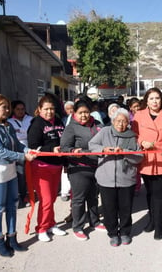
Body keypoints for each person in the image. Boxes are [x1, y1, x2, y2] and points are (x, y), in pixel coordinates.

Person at [0, 94, 37, 257]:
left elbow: (17, 144)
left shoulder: (8, 126)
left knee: (13, 205)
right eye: (3, 107)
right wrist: (23, 157)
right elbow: (0, 151)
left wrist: (27, 150)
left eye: (7, 106)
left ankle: (12, 239)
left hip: (10, 171)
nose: (7, 110)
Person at [89, 108, 143, 246]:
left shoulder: (132, 136)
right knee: (109, 208)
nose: (121, 124)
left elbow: (139, 157)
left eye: (124, 121)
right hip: (105, 178)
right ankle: (112, 233)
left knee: (125, 208)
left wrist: (124, 152)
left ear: (128, 123)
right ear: (113, 121)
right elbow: (92, 145)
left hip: (126, 178)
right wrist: (103, 150)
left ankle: (125, 232)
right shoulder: (105, 131)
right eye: (118, 121)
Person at [131, 87, 162, 240]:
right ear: (147, 100)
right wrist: (142, 142)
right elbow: (134, 134)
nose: (155, 101)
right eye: (151, 98)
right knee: (149, 193)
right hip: (146, 159)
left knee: (158, 195)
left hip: (161, 158)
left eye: (157, 98)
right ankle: (151, 220)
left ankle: (159, 225)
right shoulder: (139, 115)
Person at [60, 100, 106, 241]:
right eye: (80, 113)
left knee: (93, 197)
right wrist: (73, 151)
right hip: (78, 167)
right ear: (74, 113)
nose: (84, 115)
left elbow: (105, 139)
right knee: (79, 199)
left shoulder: (98, 125)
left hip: (96, 167)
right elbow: (64, 147)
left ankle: (95, 221)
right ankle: (78, 226)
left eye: (86, 112)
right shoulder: (71, 128)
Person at [27, 95, 67, 242]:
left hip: (56, 166)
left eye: (52, 109)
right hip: (41, 167)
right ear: (39, 109)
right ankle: (41, 228)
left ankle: (51, 224)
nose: (49, 112)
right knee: (46, 200)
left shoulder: (58, 121)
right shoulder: (36, 124)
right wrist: (51, 148)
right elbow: (32, 146)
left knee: (52, 200)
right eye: (46, 109)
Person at [7, 100, 33, 208]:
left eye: (22, 109)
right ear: (13, 110)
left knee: (30, 175)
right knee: (21, 175)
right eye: (18, 109)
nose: (21, 111)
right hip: (17, 151)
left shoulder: (31, 119)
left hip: (31, 149)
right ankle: (22, 196)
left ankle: (31, 194)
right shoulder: (9, 122)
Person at [60, 100, 75, 202]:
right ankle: (65, 192)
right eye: (67, 109)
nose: (70, 111)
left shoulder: (75, 118)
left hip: (75, 149)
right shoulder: (62, 120)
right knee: (65, 172)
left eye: (71, 108)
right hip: (66, 148)